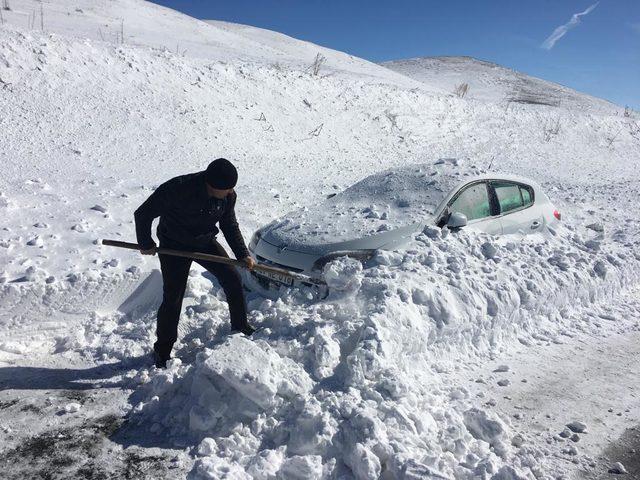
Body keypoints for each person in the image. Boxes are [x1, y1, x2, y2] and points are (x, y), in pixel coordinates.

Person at [134, 158, 256, 368]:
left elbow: (229, 224)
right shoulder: (178, 189)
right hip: (173, 245)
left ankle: (240, 327)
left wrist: (242, 254)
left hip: (204, 241)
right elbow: (143, 214)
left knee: (232, 278)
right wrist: (145, 243)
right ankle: (162, 351)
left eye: (231, 189)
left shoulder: (228, 196)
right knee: (173, 296)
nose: (230, 193)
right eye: (226, 189)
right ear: (211, 185)